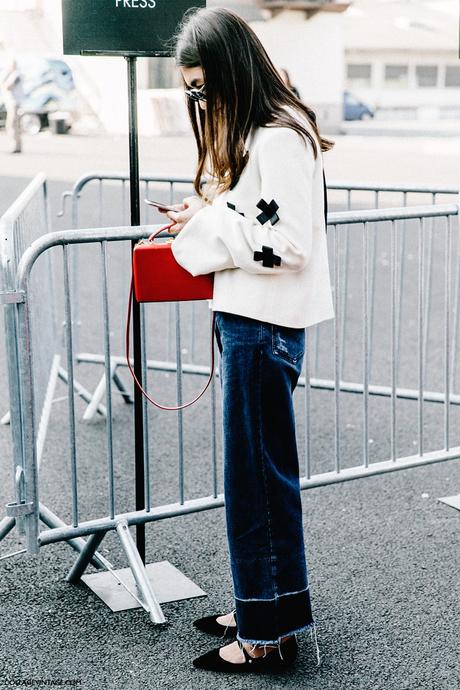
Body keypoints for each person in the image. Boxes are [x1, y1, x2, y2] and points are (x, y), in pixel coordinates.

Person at [160, 7, 335, 674]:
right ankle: (266, 606)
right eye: (192, 89)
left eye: (204, 85)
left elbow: (285, 243)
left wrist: (204, 230)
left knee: (257, 481)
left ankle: (265, 632)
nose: (200, 100)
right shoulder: (271, 132)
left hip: (262, 325)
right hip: (255, 322)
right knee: (258, 479)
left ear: (233, 68)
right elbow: (255, 224)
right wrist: (207, 216)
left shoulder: (279, 137)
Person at [0, 60, 24, 154]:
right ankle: (16, 145)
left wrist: (4, 81)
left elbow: (8, 87)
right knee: (12, 125)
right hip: (11, 103)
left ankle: (16, 146)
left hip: (14, 103)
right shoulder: (12, 74)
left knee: (12, 125)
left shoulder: (16, 75)